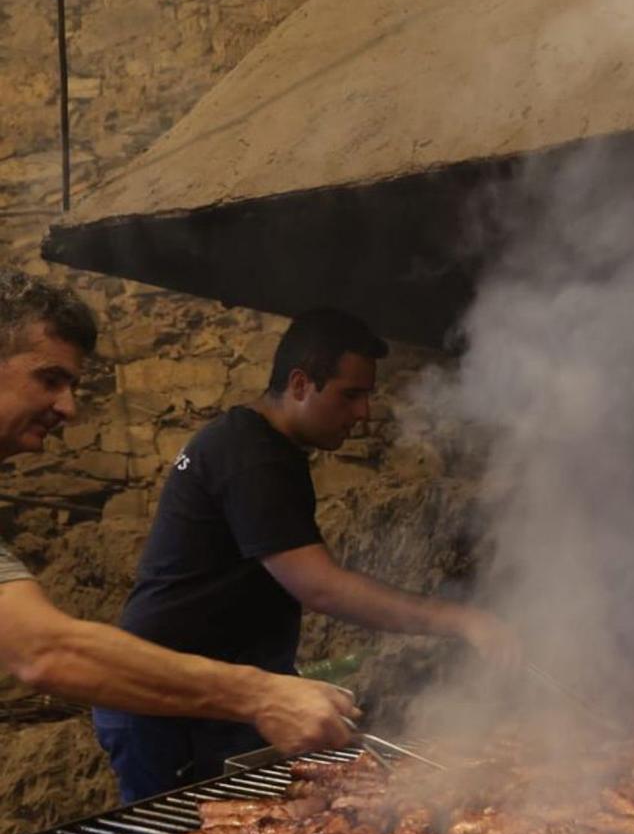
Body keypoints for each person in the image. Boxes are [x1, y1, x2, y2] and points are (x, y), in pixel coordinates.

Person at [95, 307, 522, 801]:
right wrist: (461, 619)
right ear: (300, 384)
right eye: (350, 395)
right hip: (166, 701)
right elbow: (319, 585)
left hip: (215, 692)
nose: (363, 413)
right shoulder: (252, 454)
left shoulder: (257, 446)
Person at [0, 270, 357, 762]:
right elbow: (43, 651)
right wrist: (260, 694)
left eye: (72, 385)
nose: (69, 408)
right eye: (49, 379)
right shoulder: (248, 450)